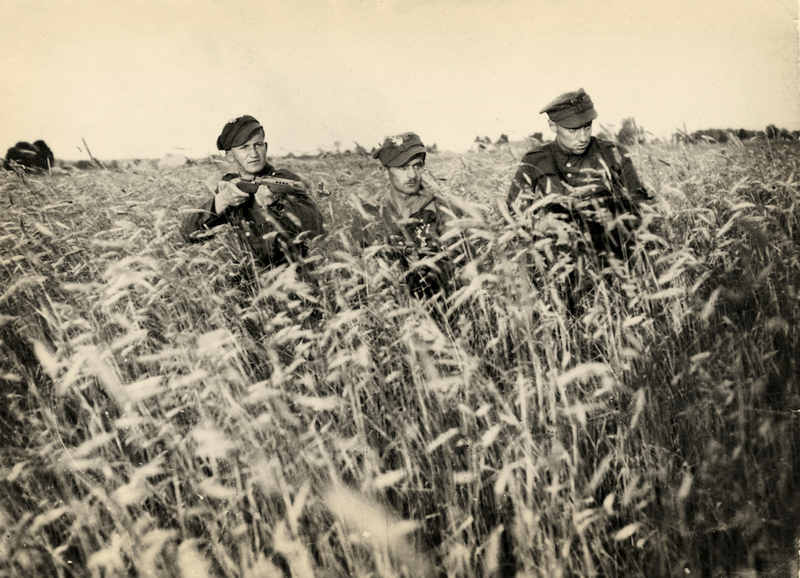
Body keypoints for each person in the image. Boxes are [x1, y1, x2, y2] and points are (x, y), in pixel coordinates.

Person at [507, 88, 651, 263]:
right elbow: (514, 216)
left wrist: (616, 218)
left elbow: (640, 207)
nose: (583, 137)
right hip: (556, 262)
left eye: (587, 126)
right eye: (573, 129)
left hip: (611, 259)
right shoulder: (535, 160)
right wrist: (541, 224)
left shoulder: (613, 153)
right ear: (553, 126)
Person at [181, 115, 324, 268]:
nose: (254, 153)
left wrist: (279, 206)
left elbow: (319, 231)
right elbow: (189, 234)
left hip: (293, 273)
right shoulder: (232, 186)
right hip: (253, 275)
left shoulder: (286, 180)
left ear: (265, 147)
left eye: (258, 145)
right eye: (244, 147)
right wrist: (222, 200)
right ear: (230, 156)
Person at [349, 132, 456, 300]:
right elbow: (354, 277)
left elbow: (464, 271)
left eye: (417, 166)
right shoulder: (369, 216)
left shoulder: (444, 211)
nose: (412, 175)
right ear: (384, 172)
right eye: (403, 167)